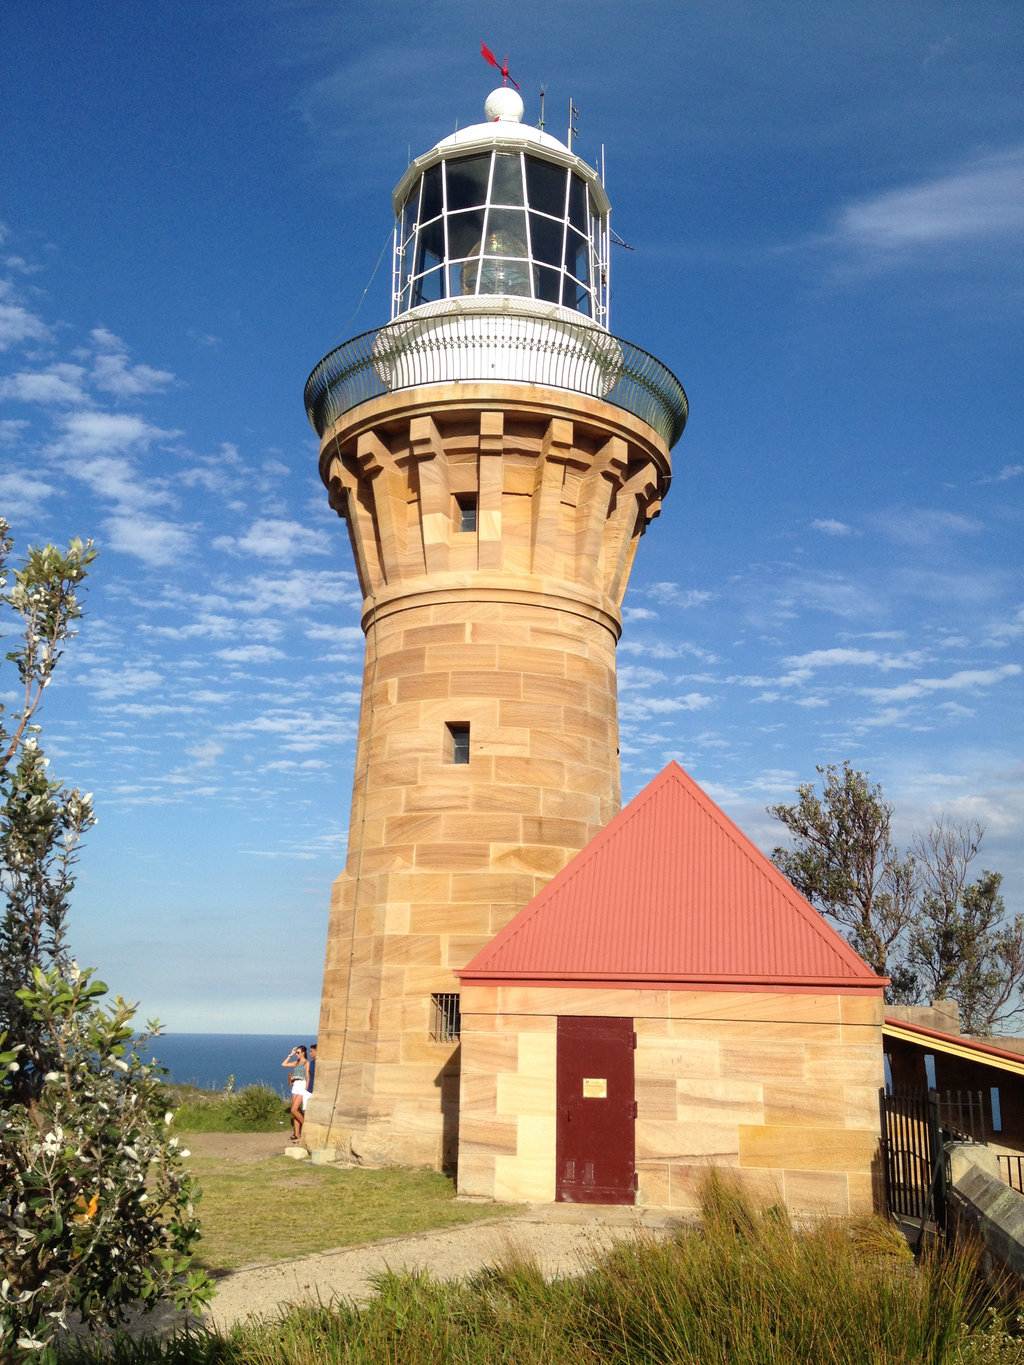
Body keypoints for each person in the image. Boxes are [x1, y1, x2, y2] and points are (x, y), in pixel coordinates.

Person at [282, 1045, 309, 1141]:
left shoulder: (306, 1063)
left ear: (303, 1053)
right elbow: (284, 1064)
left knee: (293, 1110)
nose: (297, 1054)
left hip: (302, 1084)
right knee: (295, 1112)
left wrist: (306, 1088)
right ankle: (297, 1134)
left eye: (298, 1052)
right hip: (295, 1085)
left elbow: (307, 1076)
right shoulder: (296, 1062)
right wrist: (291, 1054)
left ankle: (306, 1127)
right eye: (296, 1052)